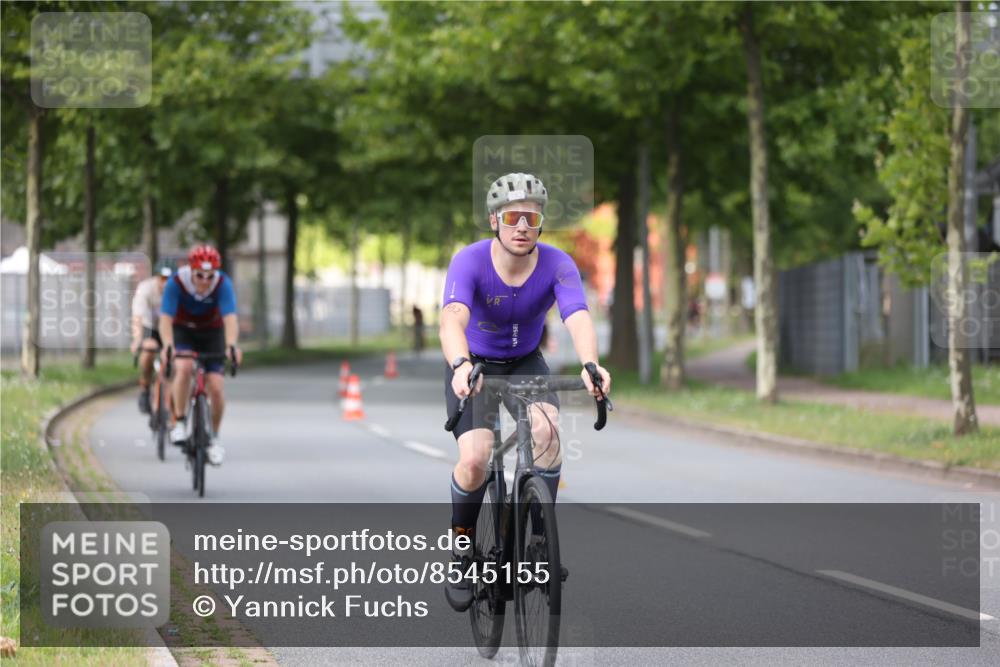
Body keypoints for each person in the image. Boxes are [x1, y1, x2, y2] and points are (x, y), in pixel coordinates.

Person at [439, 172, 611, 611]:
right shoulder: (470, 261)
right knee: (476, 458)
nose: (522, 227)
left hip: (524, 362)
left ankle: (538, 541)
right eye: (513, 217)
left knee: (547, 430)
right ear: (495, 219)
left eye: (531, 219)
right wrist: (460, 365)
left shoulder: (558, 264)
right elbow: (452, 319)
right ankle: (461, 551)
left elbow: (577, 315)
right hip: (473, 364)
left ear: (540, 224)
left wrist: (591, 363)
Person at [158, 245, 242, 466]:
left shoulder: (223, 284)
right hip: (184, 330)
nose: (205, 280)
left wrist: (232, 345)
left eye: (210, 275)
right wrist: (168, 345)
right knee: (184, 367)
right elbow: (165, 318)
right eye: (200, 275)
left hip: (212, 332)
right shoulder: (177, 283)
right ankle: (179, 421)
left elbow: (230, 318)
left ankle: (214, 438)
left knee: (216, 386)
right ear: (191, 270)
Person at [130, 260, 174, 415]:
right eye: (163, 278)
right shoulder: (146, 289)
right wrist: (137, 339)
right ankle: (145, 388)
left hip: (170, 328)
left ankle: (172, 396)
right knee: (148, 351)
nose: (166, 283)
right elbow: (138, 316)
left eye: (169, 279)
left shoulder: (177, 291)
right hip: (150, 327)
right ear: (157, 277)